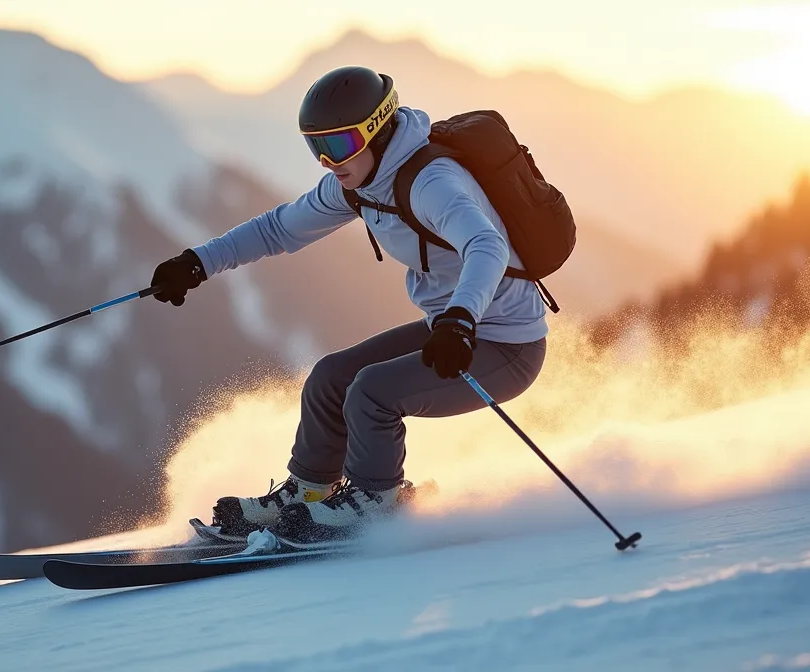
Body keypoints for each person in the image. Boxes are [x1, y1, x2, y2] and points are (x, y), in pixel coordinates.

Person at [150, 65, 549, 543]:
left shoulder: (431, 182)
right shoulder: (359, 182)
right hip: (453, 330)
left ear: (376, 131)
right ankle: (311, 493)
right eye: (315, 146)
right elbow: (278, 229)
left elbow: (486, 246)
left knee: (372, 392)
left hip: (505, 344)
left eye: (338, 144)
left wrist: (461, 320)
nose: (326, 160)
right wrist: (197, 263)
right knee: (330, 378)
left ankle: (376, 501)